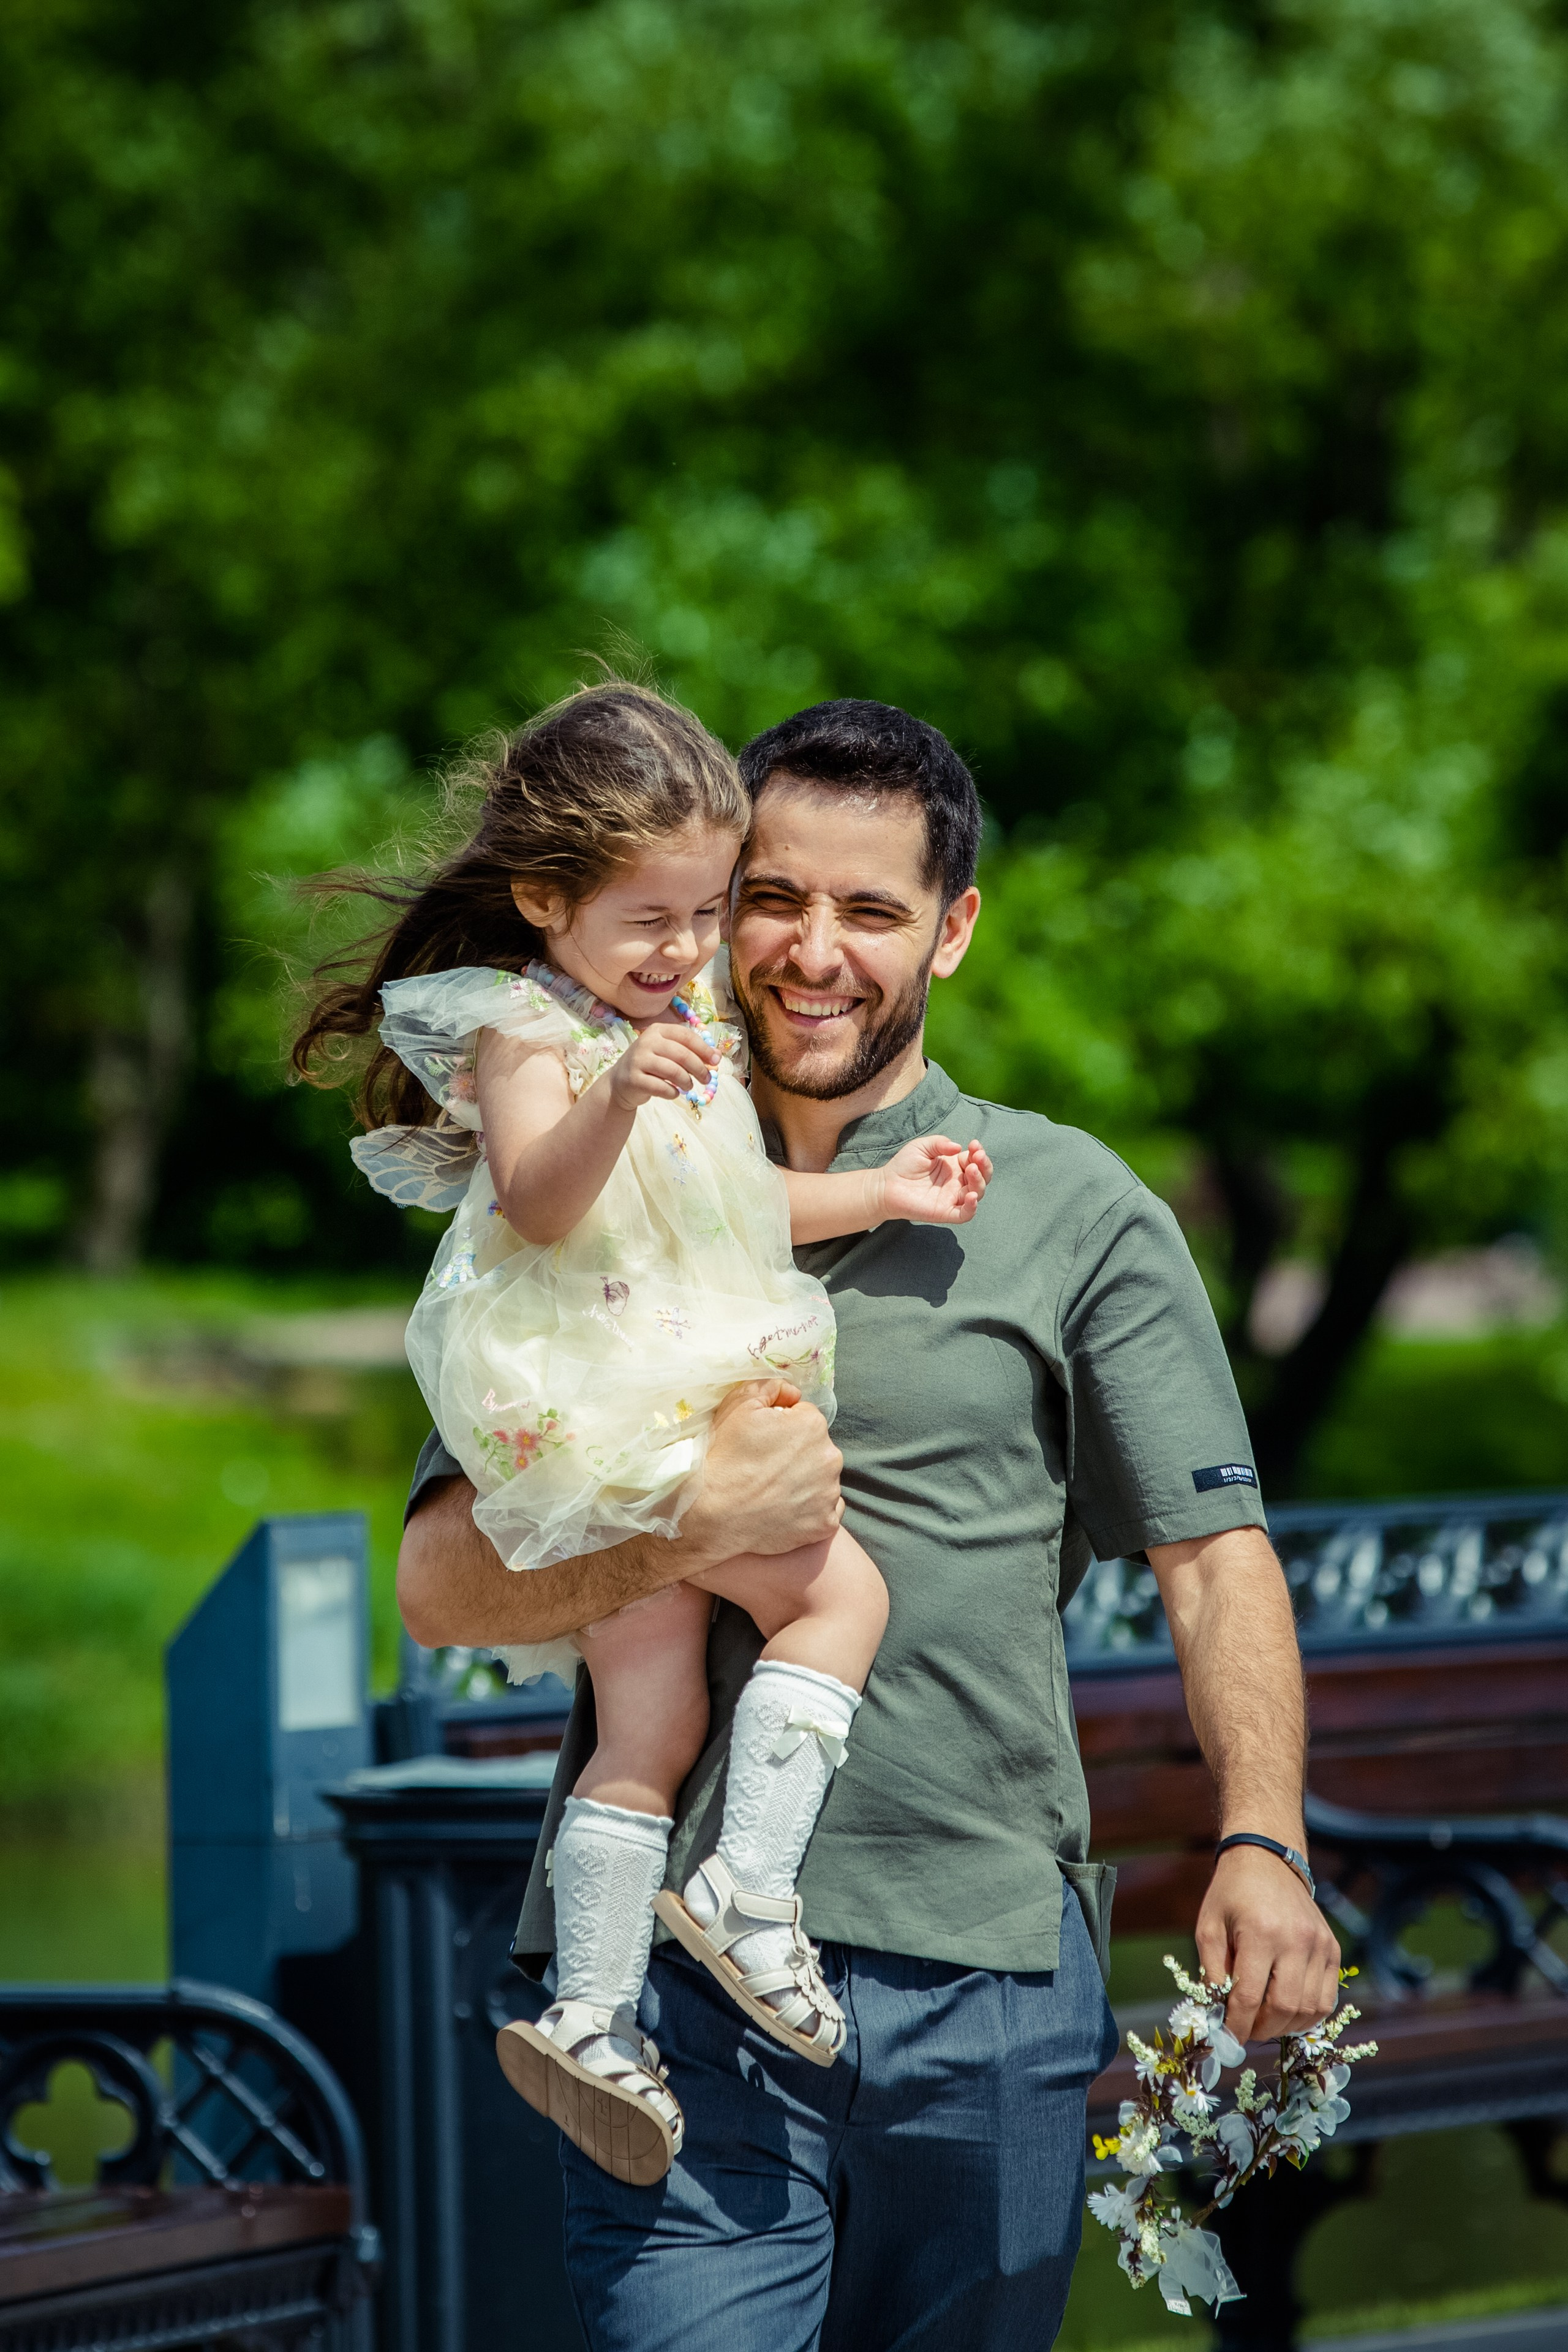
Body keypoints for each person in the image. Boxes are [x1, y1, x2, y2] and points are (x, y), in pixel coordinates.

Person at [398, 697, 1342, 2352]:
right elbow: (440, 1590)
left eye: (871, 910)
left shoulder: (1070, 1203)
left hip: (985, 1979)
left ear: (953, 931)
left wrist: (1262, 1840)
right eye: (770, 895)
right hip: (675, 2009)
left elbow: (1210, 1555)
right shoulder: (596, 1174)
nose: (806, 949)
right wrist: (690, 1526)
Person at [293, 681, 991, 2187]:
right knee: (841, 1594)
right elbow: (544, 1196)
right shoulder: (525, 1030)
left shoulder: (670, 1026)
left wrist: (876, 1196)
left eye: (702, 913)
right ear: (544, 898)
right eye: (653, 919)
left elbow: (727, 1205)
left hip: (661, 1396)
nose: (686, 953)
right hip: (612, 1399)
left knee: (650, 1723)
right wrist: (619, 1084)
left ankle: (594, 2010)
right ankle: (746, 1886)